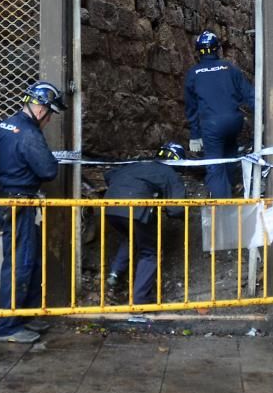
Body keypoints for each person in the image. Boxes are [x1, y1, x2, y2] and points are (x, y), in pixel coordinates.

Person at [0, 80, 66, 343]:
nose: (49, 120)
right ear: (41, 110)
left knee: (30, 259)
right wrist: (18, 173)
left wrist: (4, 171)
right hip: (18, 202)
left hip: (5, 195)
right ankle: (9, 326)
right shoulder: (30, 134)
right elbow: (48, 170)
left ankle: (25, 314)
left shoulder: (4, 125)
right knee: (20, 262)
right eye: (50, 115)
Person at [104, 142, 187, 305]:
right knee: (149, 252)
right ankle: (140, 300)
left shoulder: (138, 163)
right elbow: (176, 209)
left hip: (109, 206)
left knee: (130, 237)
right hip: (136, 208)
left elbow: (109, 175)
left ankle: (115, 273)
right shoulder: (170, 173)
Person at [184, 30, 255, 198]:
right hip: (234, 122)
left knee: (215, 163)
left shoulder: (194, 74)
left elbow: (191, 107)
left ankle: (221, 206)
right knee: (230, 155)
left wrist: (195, 134)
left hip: (212, 125)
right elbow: (249, 94)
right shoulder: (229, 68)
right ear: (217, 49)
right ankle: (232, 191)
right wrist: (261, 118)